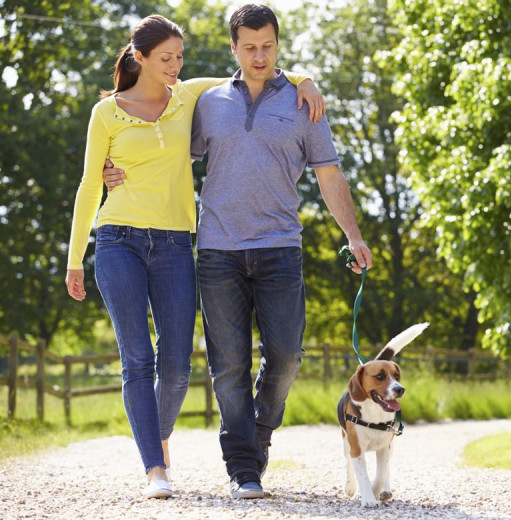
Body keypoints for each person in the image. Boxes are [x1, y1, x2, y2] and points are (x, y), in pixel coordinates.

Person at [65, 14, 324, 499]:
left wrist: (306, 80)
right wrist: (75, 257)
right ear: (138, 57)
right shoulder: (107, 114)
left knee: (179, 365)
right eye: (166, 58)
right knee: (138, 358)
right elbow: (87, 185)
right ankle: (155, 467)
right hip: (118, 238)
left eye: (180, 58)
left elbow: (258, 71)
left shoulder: (188, 96)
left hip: (176, 243)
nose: (175, 66)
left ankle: (156, 436)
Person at [189, 4, 372, 500]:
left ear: (278, 45)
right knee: (228, 366)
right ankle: (243, 467)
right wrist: (116, 169)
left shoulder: (302, 102)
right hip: (218, 250)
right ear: (233, 47)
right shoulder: (208, 103)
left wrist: (353, 235)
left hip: (279, 248)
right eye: (249, 46)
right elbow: (168, 157)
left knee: (287, 355)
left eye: (267, 46)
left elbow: (329, 173)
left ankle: (258, 438)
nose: (259, 55)